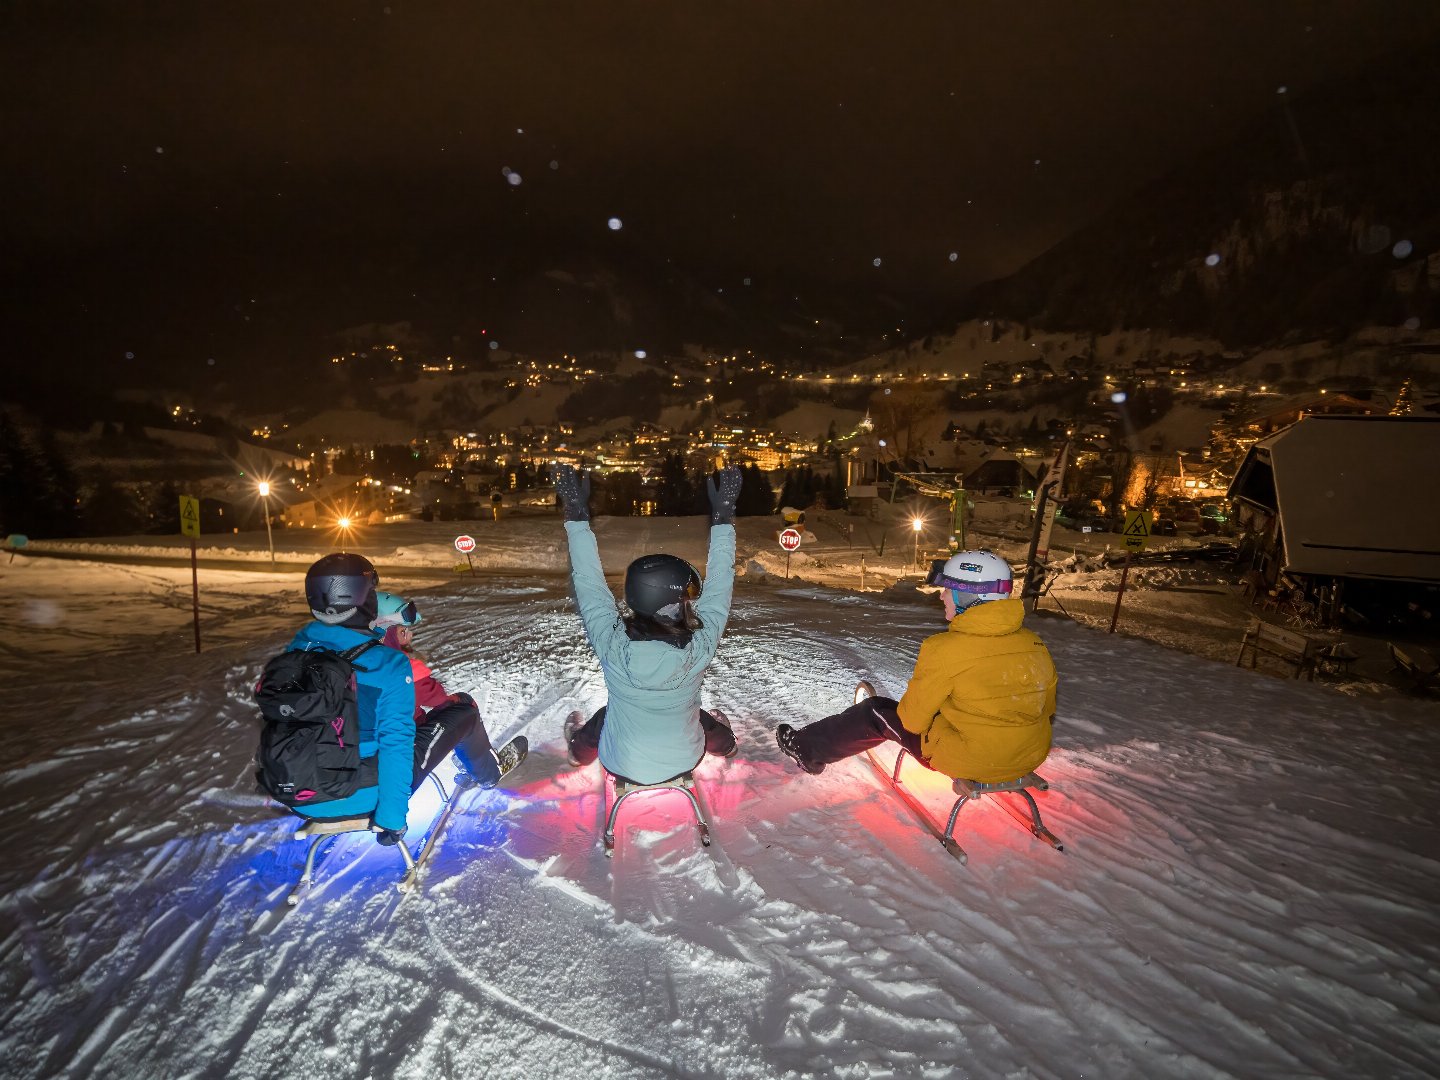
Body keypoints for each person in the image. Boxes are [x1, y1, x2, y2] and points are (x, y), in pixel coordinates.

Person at [775, 550, 1056, 783]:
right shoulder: (1035, 644)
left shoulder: (944, 649)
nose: (942, 596)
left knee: (876, 711)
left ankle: (806, 749)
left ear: (968, 597)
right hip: (1029, 754)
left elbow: (911, 721)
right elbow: (1047, 708)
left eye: (949, 590)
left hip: (973, 761)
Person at [554, 463, 742, 784]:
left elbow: (588, 581)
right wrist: (723, 516)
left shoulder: (613, 646)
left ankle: (578, 752)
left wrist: (576, 515)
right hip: (685, 758)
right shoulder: (700, 645)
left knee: (608, 715)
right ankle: (726, 746)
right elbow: (722, 582)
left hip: (621, 763)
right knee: (694, 715)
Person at [370, 591, 526, 791]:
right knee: (465, 709)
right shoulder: (395, 665)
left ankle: (471, 757)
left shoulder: (349, 657)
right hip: (396, 768)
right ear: (386, 632)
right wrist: (411, 660)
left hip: (362, 762)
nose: (409, 636)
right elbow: (436, 696)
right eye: (402, 632)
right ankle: (488, 773)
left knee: (457, 704)